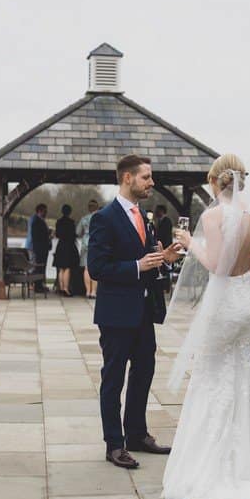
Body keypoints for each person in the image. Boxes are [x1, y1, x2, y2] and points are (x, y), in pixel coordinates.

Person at [162, 153, 250, 499]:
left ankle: (209, 469)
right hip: (248, 305)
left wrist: (189, 243)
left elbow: (216, 265)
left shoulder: (212, 216)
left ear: (214, 182)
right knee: (241, 380)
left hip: (224, 305)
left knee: (210, 378)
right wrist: (246, 272)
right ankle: (243, 468)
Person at [87, 155, 181, 469]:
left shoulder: (144, 216)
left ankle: (137, 435)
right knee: (113, 379)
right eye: (146, 177)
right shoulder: (105, 218)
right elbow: (97, 268)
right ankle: (114, 444)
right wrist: (137, 266)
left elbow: (148, 259)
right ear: (128, 178)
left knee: (144, 372)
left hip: (143, 311)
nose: (151, 183)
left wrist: (163, 257)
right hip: (116, 314)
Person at [53, 204, 80, 296]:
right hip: (69, 246)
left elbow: (57, 234)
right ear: (70, 212)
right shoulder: (71, 222)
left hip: (60, 246)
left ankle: (61, 288)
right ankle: (66, 289)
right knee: (67, 268)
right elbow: (73, 235)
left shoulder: (58, 222)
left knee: (61, 268)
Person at [77, 199, 100, 299]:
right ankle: (94, 292)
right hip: (96, 242)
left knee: (86, 269)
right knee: (95, 267)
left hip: (86, 242)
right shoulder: (100, 217)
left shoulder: (84, 219)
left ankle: (87, 291)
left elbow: (78, 232)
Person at [26, 203, 51, 293]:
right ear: (40, 211)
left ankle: (39, 285)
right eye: (45, 211)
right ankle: (36, 285)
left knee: (40, 267)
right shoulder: (35, 220)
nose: (46, 213)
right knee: (37, 266)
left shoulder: (40, 220)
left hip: (41, 248)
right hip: (37, 248)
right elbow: (36, 236)